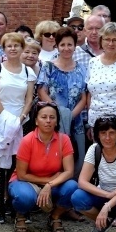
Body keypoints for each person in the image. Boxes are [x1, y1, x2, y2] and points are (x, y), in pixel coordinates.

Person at [0, 32, 37, 224]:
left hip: (21, 123)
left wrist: (20, 118)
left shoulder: (29, 72)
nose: (13, 48)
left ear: (22, 48)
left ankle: (17, 209)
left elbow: (29, 99)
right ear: (4, 49)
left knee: (17, 166)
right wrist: (6, 118)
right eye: (9, 46)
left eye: (16, 45)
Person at [8, 102, 78, 232]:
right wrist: (48, 182)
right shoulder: (27, 140)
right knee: (24, 196)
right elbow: (22, 175)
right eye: (44, 117)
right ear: (36, 121)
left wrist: (49, 185)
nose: (48, 121)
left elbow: (69, 172)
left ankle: (55, 217)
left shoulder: (64, 140)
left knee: (72, 187)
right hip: (26, 182)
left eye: (52, 117)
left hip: (52, 183)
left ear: (57, 121)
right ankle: (20, 215)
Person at [37, 27, 88, 175]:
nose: (66, 48)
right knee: (53, 160)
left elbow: (84, 97)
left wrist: (69, 116)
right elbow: (42, 91)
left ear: (75, 46)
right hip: (52, 122)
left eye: (70, 44)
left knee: (78, 159)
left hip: (76, 122)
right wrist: (58, 114)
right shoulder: (49, 67)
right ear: (57, 46)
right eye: (63, 45)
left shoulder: (82, 69)